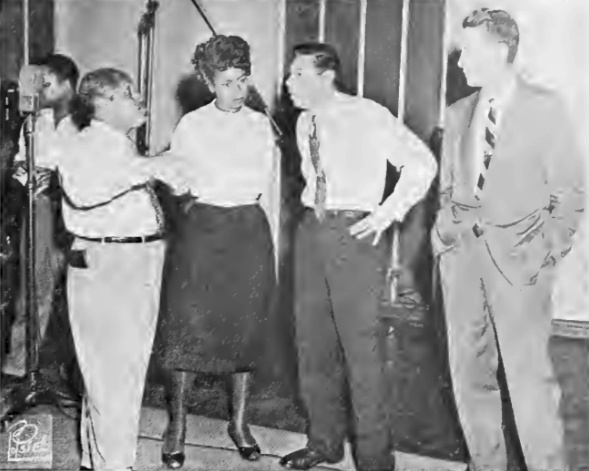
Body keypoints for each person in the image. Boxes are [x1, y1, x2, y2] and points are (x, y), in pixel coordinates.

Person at [432, 9, 585, 471]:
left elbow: (570, 197)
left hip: (520, 263)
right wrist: (445, 233)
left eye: (468, 52)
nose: (460, 62)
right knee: (468, 376)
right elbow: (448, 188)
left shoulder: (545, 108)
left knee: (528, 383)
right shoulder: (458, 113)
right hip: (461, 258)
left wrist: (542, 254)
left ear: (500, 50)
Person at [280, 43, 437, 471]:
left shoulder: (367, 114)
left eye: (297, 74)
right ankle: (323, 443)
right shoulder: (303, 121)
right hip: (311, 231)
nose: (288, 83)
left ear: (326, 76)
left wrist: (387, 213)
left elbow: (421, 163)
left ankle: (374, 459)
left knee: (360, 351)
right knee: (312, 344)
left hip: (354, 234)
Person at [40, 67, 189, 471]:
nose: (139, 99)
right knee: (115, 378)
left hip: (133, 263)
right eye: (128, 94)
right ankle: (116, 465)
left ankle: (99, 462)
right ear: (102, 103)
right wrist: (149, 167)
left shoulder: (117, 145)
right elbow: (84, 191)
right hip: (111, 265)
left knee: (114, 376)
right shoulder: (83, 143)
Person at [154, 34, 278, 469]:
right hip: (203, 231)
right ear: (209, 83)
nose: (237, 90)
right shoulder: (192, 125)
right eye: (227, 82)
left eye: (243, 80)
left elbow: (265, 186)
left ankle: (239, 423)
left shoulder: (260, 125)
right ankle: (177, 426)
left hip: (249, 231)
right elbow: (177, 182)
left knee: (246, 326)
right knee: (186, 326)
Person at [3, 54, 79, 389]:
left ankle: (75, 375)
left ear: (67, 84)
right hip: (41, 212)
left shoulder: (90, 121)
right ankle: (20, 369)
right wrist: (23, 172)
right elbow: (19, 163)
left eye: (46, 84)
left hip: (80, 216)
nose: (39, 91)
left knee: (79, 297)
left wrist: (56, 178)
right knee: (34, 290)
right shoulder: (34, 122)